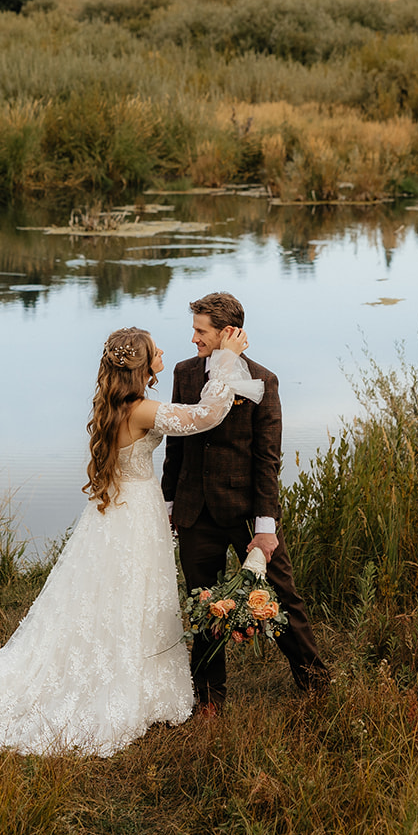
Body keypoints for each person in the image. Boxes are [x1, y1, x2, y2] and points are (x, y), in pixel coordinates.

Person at [0, 325, 260, 756]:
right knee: (131, 594)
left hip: (120, 511)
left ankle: (126, 669)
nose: (164, 350)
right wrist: (226, 359)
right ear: (141, 365)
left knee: (118, 596)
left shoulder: (118, 407)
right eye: (155, 349)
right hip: (134, 513)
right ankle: (122, 683)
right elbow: (206, 416)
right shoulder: (141, 410)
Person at [162, 292, 326, 715]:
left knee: (283, 598)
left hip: (248, 514)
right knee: (203, 606)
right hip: (195, 511)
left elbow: (267, 457)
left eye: (201, 331)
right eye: (195, 329)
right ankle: (209, 701)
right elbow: (175, 449)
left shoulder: (263, 380)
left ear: (228, 333)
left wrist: (266, 526)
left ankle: (315, 683)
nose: (193, 337)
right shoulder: (183, 373)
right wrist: (167, 504)